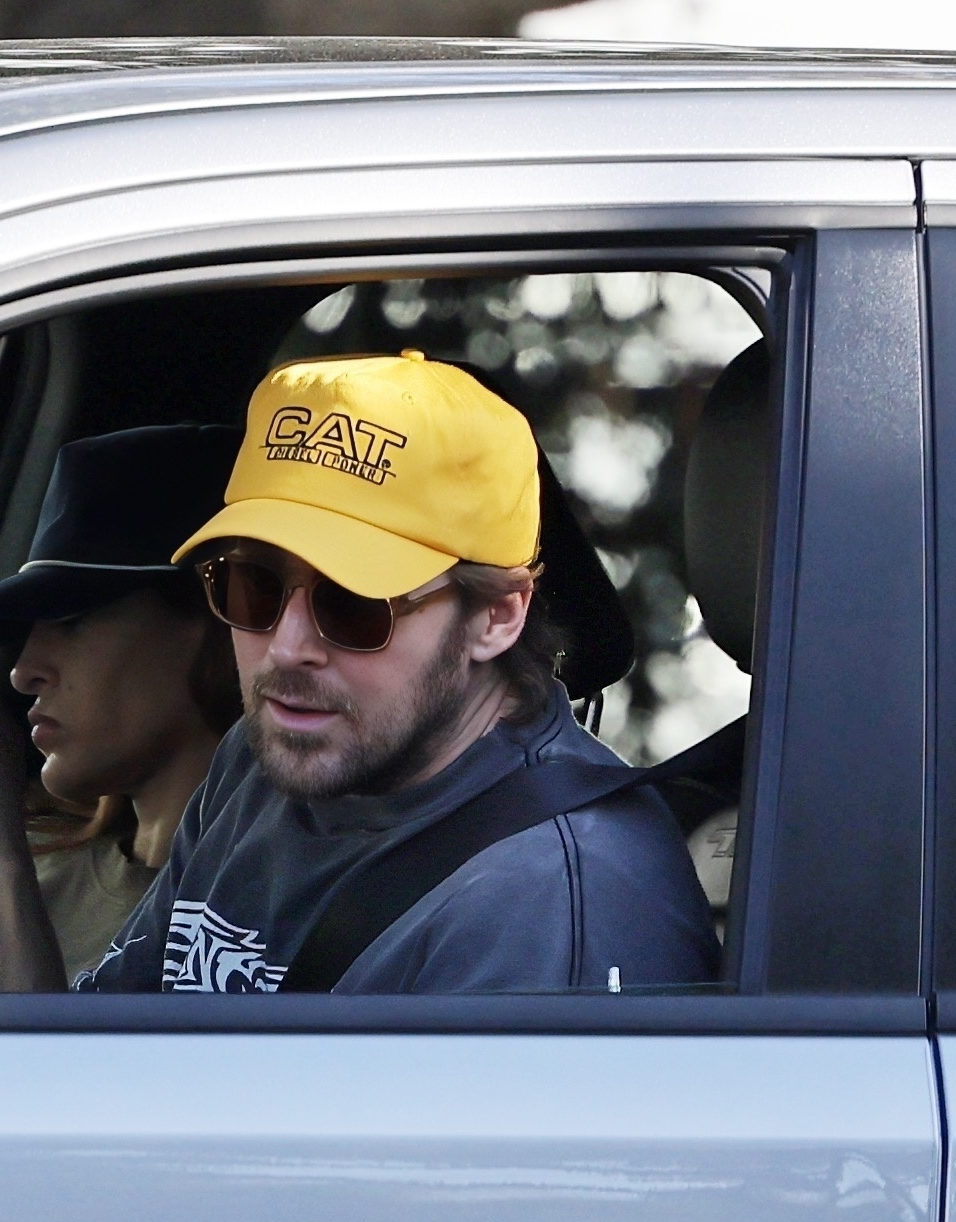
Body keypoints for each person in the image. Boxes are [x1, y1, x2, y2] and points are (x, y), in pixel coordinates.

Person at [74, 351, 720, 994]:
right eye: (254, 588)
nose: (286, 647)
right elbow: (97, 1052)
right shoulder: (263, 753)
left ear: (495, 616)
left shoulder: (551, 904)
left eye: (355, 605)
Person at [0, 424, 244, 993]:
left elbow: (39, 1081)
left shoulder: (235, 935)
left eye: (72, 622)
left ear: (218, 622)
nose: (23, 672)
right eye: (31, 630)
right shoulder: (45, 864)